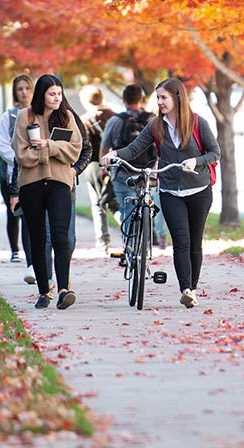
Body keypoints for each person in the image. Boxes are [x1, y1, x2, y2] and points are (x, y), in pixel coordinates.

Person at [101, 77, 220, 309]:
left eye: (163, 97)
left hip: (198, 190)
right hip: (169, 190)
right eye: (158, 98)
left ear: (177, 98)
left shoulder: (197, 123)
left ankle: (192, 289)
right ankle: (185, 289)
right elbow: (135, 149)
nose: (160, 102)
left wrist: (196, 161)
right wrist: (114, 154)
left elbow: (215, 153)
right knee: (181, 241)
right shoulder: (156, 125)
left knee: (195, 243)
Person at [10, 73, 83, 310]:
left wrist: (48, 146)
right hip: (31, 184)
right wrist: (50, 153)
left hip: (59, 182)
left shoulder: (67, 117)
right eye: (52, 94)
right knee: (39, 238)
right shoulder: (25, 117)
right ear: (42, 94)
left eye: (60, 94)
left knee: (61, 236)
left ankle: (64, 289)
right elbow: (22, 155)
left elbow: (74, 150)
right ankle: (43, 291)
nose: (57, 98)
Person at [100, 83, 156, 230]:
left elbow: (105, 148)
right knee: (147, 207)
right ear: (141, 99)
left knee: (127, 211)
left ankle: (130, 248)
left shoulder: (115, 120)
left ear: (124, 99)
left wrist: (104, 169)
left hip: (122, 172)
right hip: (147, 172)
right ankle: (146, 244)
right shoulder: (153, 120)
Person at [0, 74, 35, 269]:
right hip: (11, 172)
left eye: (27, 88)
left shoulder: (39, 114)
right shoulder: (9, 116)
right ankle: (14, 249)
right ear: (15, 93)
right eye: (20, 89)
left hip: (34, 172)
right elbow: (3, 146)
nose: (24, 92)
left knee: (30, 217)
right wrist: (21, 159)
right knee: (13, 213)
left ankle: (32, 261)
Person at [79, 85, 116, 252]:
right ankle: (132, 233)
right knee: (115, 201)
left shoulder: (85, 120)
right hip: (115, 162)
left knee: (97, 204)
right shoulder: (115, 117)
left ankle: (103, 240)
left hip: (94, 164)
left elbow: (85, 145)